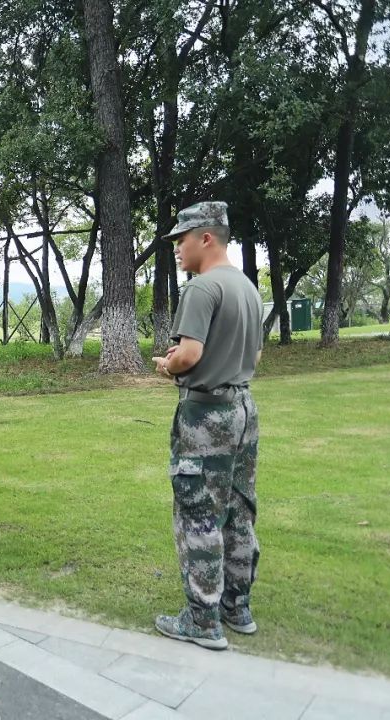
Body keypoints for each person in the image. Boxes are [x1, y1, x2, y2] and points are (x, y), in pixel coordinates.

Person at [151, 201, 263, 651]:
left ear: (206, 238)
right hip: (244, 411)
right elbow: (254, 358)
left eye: (181, 239)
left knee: (199, 513)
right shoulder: (248, 289)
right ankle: (237, 606)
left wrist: (167, 365)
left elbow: (189, 355)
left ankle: (202, 619)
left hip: (206, 415)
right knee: (238, 510)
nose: (177, 248)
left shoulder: (202, 289)